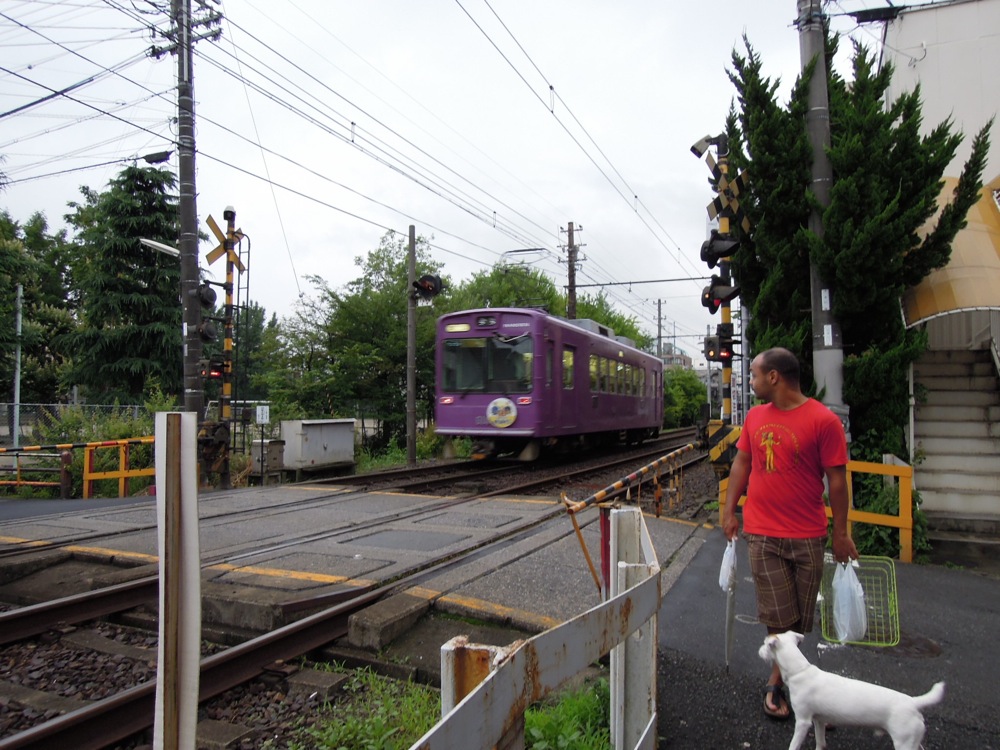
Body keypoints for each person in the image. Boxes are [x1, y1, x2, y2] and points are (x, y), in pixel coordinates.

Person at [722, 347, 858, 720]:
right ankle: (779, 683)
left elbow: (837, 481)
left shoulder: (823, 421)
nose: (751, 381)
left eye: (754, 374)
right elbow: (742, 463)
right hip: (763, 531)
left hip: (808, 533)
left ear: (774, 377)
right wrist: (729, 510)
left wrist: (841, 533)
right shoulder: (755, 417)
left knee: (798, 620)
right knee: (778, 617)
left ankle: (789, 680)